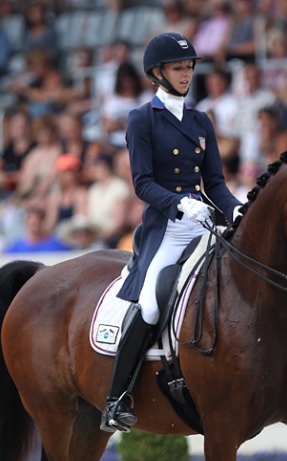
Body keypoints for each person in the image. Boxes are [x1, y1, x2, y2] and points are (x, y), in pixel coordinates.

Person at [100, 32, 242, 434]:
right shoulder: (141, 119)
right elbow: (142, 183)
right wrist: (180, 203)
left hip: (203, 223)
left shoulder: (201, 121)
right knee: (149, 304)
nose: (187, 74)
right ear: (157, 73)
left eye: (190, 67)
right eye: (179, 68)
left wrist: (236, 209)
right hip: (166, 227)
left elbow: (214, 182)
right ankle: (117, 398)